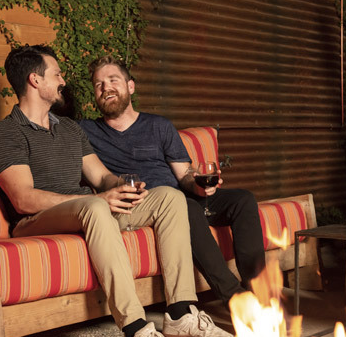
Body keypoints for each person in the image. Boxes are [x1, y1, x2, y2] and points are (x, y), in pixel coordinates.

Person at [0, 44, 233, 337]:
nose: (62, 81)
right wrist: (96, 201)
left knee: (169, 198)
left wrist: (124, 187)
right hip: (35, 221)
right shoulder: (7, 133)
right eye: (56, 74)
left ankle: (181, 314)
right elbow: (23, 199)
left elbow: (100, 176)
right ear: (34, 80)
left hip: (87, 210)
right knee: (95, 208)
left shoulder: (69, 129)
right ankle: (135, 332)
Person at [80, 55, 266, 307]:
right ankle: (237, 301)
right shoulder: (86, 131)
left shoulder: (159, 125)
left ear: (130, 86)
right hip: (150, 205)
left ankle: (260, 293)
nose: (106, 88)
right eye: (99, 84)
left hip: (183, 197)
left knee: (243, 199)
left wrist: (199, 183)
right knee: (184, 206)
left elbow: (184, 174)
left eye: (113, 80)